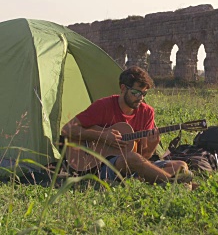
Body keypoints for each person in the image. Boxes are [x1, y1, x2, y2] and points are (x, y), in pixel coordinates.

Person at [61, 66, 192, 184]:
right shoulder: (103, 106)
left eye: (144, 93)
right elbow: (67, 130)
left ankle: (163, 179)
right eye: (136, 93)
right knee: (131, 157)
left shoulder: (147, 112)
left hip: (134, 167)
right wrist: (101, 136)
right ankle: (172, 182)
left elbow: (143, 158)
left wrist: (151, 147)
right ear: (123, 88)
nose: (140, 98)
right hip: (103, 166)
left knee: (181, 165)